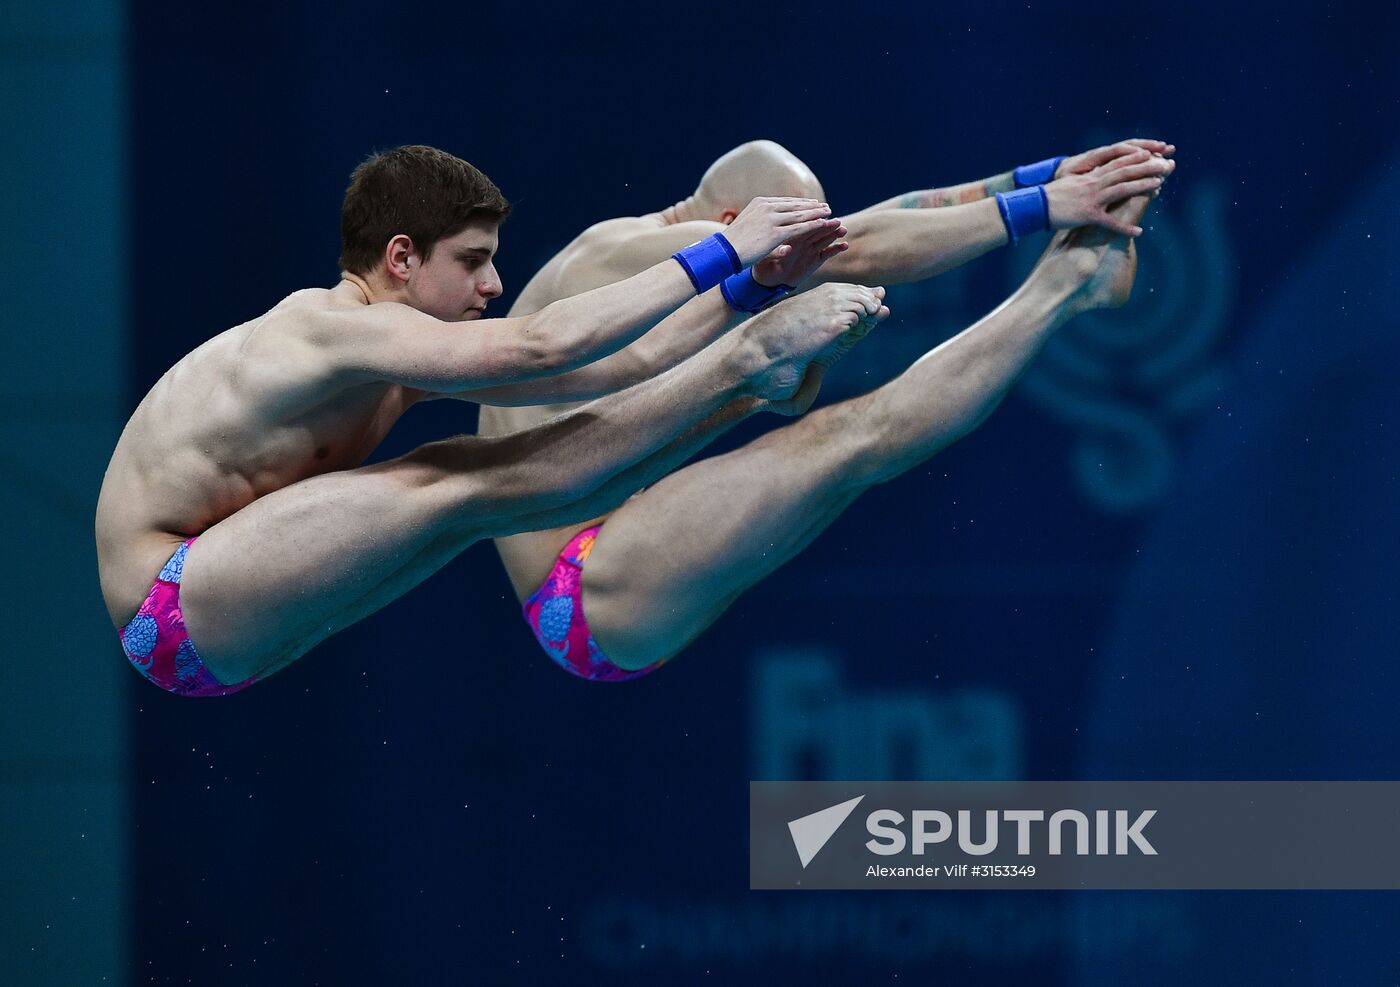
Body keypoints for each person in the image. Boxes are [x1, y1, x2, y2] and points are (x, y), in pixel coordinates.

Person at [96, 143, 880, 697]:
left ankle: (742, 380)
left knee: (515, 495)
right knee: (459, 475)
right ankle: (745, 371)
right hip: (169, 599)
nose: (496, 282)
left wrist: (745, 293)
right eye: (472, 260)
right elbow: (544, 339)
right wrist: (726, 247)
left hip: (218, 627)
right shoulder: (325, 329)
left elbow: (622, 368)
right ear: (401, 258)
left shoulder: (397, 369)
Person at [477, 139, 1173, 679]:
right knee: (850, 439)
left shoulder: (675, 255)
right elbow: (861, 248)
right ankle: (1070, 283)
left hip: (619, 560)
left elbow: (870, 224)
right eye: (795, 230)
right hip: (584, 583)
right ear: (735, 222)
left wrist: (1040, 176)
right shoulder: (622, 258)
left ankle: (1068, 284)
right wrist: (1044, 208)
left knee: (849, 448)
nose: (811, 250)